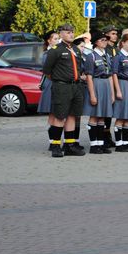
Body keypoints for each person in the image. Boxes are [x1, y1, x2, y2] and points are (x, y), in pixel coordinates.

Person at [42, 23, 86, 157]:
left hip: (76, 86)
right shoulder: (56, 50)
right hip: (62, 86)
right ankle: (55, 145)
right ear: (60, 34)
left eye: (72, 32)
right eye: (67, 32)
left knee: (73, 115)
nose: (71, 34)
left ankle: (70, 145)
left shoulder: (75, 49)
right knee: (60, 115)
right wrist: (59, 80)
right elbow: (47, 70)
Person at [82, 32, 114, 154]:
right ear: (96, 42)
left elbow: (110, 75)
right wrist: (92, 94)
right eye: (102, 40)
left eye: (106, 40)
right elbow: (89, 77)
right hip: (96, 84)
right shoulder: (92, 56)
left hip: (106, 85)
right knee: (94, 115)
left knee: (102, 116)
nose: (105, 42)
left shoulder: (107, 56)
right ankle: (94, 145)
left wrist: (111, 93)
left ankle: (101, 143)